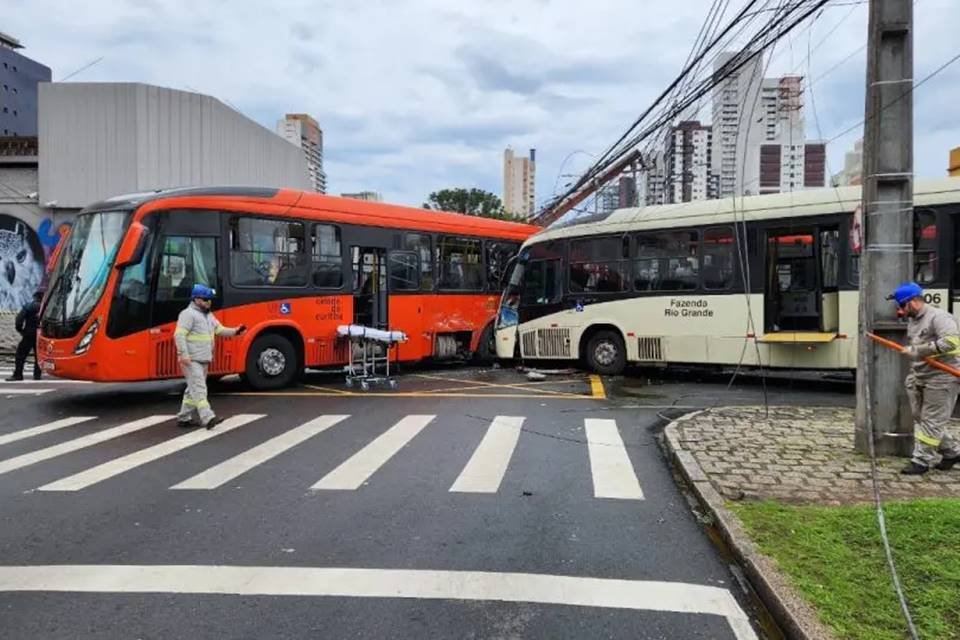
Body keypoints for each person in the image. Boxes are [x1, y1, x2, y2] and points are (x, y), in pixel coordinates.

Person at [889, 282, 960, 474]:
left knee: (932, 420)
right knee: (920, 417)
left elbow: (951, 342)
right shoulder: (914, 320)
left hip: (943, 376)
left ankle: (921, 461)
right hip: (921, 375)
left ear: (913, 302)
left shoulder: (939, 317)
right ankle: (952, 452)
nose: (900, 311)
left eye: (902, 306)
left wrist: (918, 351)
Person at [174, 284, 246, 429]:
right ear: (196, 299)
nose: (209, 302)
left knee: (192, 388)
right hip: (191, 360)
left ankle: (183, 417)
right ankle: (208, 418)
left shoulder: (208, 315)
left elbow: (219, 330)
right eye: (206, 299)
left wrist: (235, 331)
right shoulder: (188, 314)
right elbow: (179, 335)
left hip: (203, 358)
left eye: (210, 299)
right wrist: (183, 355)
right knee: (200, 389)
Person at [7, 290, 43, 382]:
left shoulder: (29, 306)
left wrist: (21, 330)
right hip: (41, 335)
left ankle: (18, 374)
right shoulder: (46, 307)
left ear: (35, 297)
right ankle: (37, 375)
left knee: (20, 354)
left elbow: (19, 319)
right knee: (38, 356)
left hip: (29, 333)